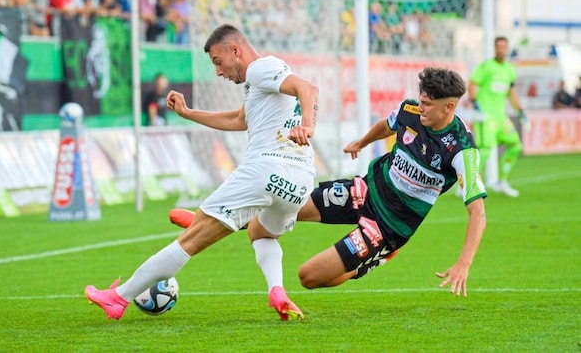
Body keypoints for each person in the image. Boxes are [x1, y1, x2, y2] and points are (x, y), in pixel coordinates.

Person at [171, 67, 487, 297]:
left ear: (450, 106)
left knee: (309, 277)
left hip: (389, 227)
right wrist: (361, 143)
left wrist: (463, 263)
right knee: (285, 205)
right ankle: (222, 221)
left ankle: (374, 260)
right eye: (421, 100)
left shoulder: (461, 150)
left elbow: (478, 213)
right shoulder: (411, 110)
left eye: (430, 104)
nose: (422, 108)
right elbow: (387, 125)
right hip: (364, 190)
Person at [85, 24, 319, 320]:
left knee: (190, 241)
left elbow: (308, 88)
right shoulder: (261, 81)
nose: (218, 72)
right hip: (299, 183)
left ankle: (119, 298)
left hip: (265, 168)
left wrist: (308, 126)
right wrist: (188, 113)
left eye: (217, 62)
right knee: (262, 234)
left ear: (235, 50)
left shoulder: (261, 68)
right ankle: (277, 291)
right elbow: (238, 119)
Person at [468, 36, 527, 198]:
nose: (501, 49)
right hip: (486, 116)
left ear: (507, 49)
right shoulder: (486, 67)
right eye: (498, 46)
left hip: (501, 117)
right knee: (486, 149)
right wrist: (474, 103)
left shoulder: (509, 70)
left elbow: (511, 93)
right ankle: (468, 184)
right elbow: (472, 84)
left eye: (504, 47)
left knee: (515, 145)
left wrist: (520, 111)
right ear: (494, 48)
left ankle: (502, 181)